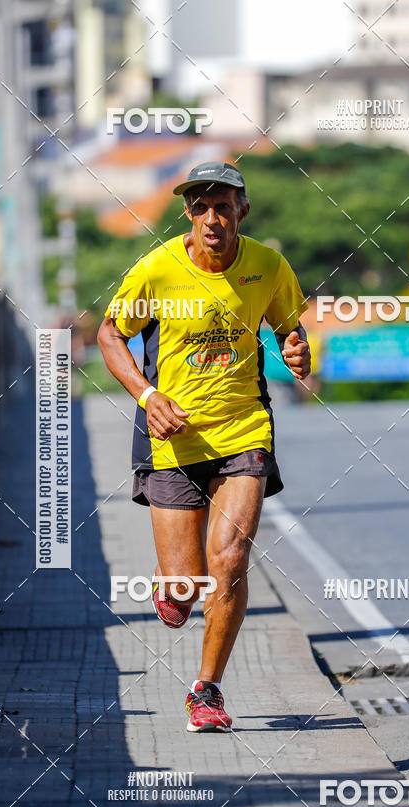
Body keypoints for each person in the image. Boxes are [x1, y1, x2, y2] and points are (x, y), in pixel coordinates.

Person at [97, 161, 310, 731]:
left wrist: (296, 349)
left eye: (223, 205)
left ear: (243, 208)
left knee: (231, 560)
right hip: (171, 435)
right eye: (200, 207)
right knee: (187, 584)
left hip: (244, 430)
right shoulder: (158, 270)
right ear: (187, 213)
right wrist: (146, 396)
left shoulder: (267, 265)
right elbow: (110, 333)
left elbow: (289, 325)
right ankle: (177, 590)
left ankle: (207, 689)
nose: (211, 217)